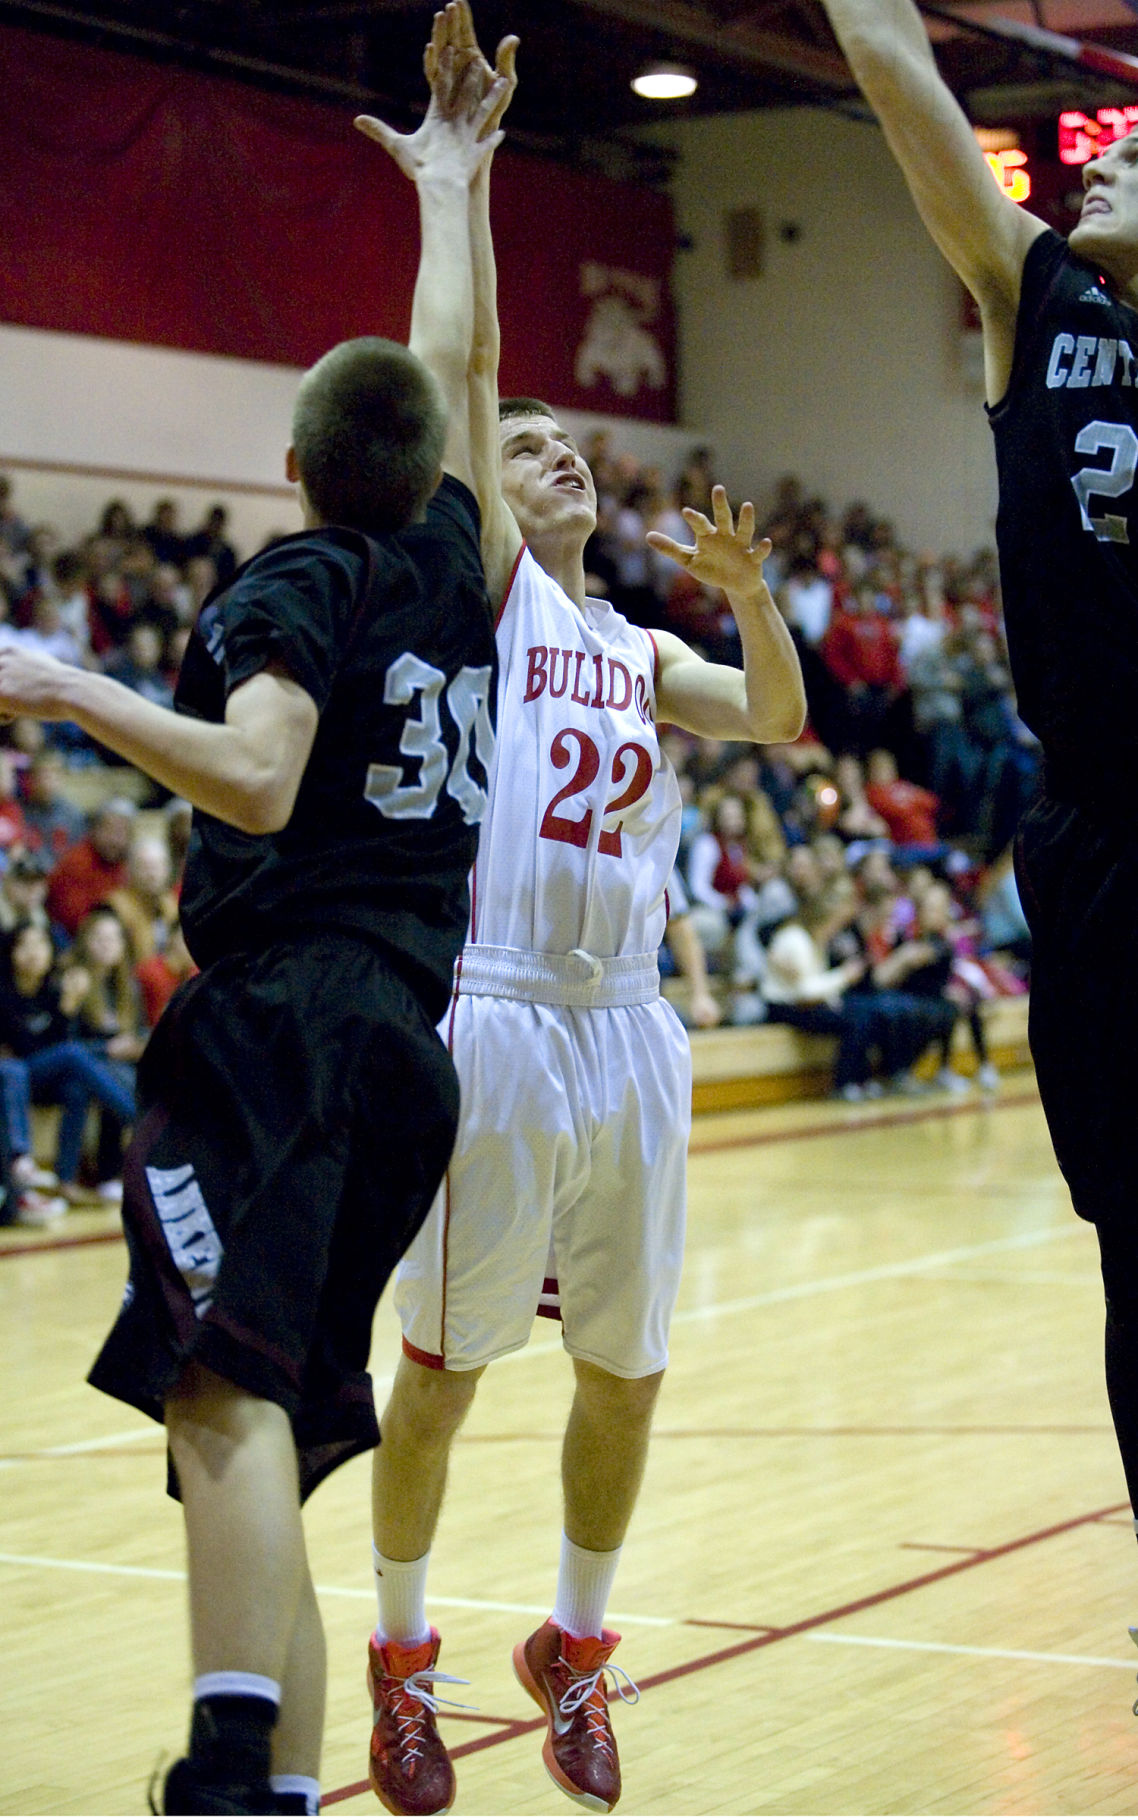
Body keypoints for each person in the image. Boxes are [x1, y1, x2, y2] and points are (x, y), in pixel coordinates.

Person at [0, 46, 506, 1813]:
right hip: (404, 1047)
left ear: (291, 466)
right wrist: (448, 187)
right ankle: (279, 1787)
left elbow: (262, 778)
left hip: (285, 1022)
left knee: (218, 1395)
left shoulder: (299, 576)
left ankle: (225, 1773)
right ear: (425, 467)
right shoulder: (451, 571)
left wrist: (70, 688)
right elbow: (451, 365)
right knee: (266, 1420)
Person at [355, 11, 806, 1813]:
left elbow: (771, 715)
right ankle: (402, 1660)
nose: (558, 461)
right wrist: (458, 186)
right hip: (495, 1008)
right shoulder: (490, 599)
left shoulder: (632, 644)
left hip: (627, 1023)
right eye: (530, 449)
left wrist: (753, 600)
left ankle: (576, 1646)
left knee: (625, 1374)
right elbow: (455, 369)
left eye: (570, 452)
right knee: (443, 1372)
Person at [818, 0, 1138, 1703]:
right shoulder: (1039, 296)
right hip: (1095, 839)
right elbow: (892, 69)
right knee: (1130, 1245)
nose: (1106, 158)